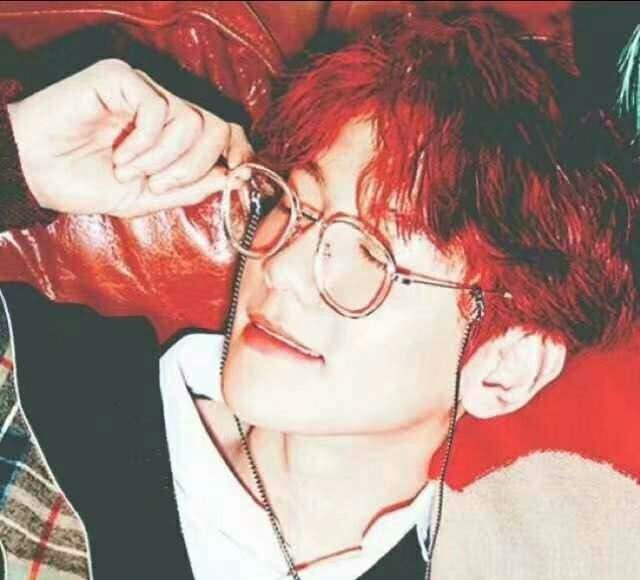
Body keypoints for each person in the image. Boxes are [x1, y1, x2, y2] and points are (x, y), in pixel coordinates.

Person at [0, 9, 638, 580]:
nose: (282, 267)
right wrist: (13, 157)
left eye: (371, 254)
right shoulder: (34, 385)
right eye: (296, 207)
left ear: (505, 368)